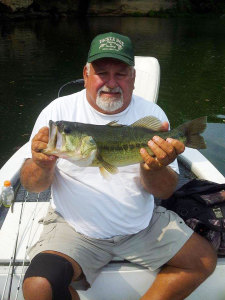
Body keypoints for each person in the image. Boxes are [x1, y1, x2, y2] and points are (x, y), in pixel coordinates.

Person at [21, 32, 216, 300]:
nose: (111, 83)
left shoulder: (152, 116)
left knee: (203, 260)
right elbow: (33, 185)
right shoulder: (57, 113)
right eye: (102, 73)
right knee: (38, 286)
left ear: (133, 77)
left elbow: (164, 192)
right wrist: (41, 164)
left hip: (141, 225)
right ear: (86, 73)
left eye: (121, 74)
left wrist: (154, 168)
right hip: (76, 228)